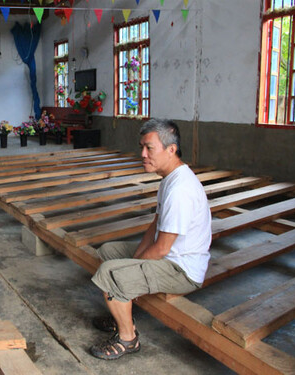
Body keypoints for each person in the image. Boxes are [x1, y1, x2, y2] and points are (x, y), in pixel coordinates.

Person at [89, 118, 212, 360]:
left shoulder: (180, 189)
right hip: (169, 257)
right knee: (109, 252)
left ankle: (128, 338)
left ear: (171, 149)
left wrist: (132, 268)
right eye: (141, 147)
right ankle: (122, 315)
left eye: (149, 148)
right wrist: (134, 261)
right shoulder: (170, 178)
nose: (143, 154)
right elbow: (155, 225)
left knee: (110, 273)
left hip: (182, 269)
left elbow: (162, 248)